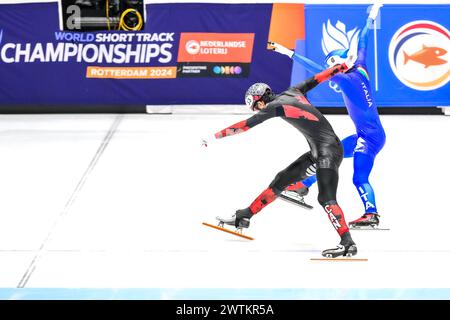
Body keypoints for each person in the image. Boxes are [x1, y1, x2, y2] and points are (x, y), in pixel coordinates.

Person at [203, 60, 357, 258]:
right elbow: (319, 78)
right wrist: (341, 67)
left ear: (260, 100)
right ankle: (245, 216)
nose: (258, 110)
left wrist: (214, 136)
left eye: (256, 107)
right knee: (281, 179)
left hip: (328, 153)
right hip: (320, 151)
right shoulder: (293, 91)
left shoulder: (274, 106)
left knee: (326, 198)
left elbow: (244, 125)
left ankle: (347, 243)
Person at [268, 3, 386, 229]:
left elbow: (316, 70)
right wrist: (371, 17)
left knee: (359, 178)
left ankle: (371, 214)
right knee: (332, 155)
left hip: (369, 138)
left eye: (333, 65)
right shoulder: (359, 66)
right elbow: (363, 40)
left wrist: (289, 52)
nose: (332, 70)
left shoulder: (346, 80)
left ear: (341, 65)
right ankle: (302, 186)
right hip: (367, 133)